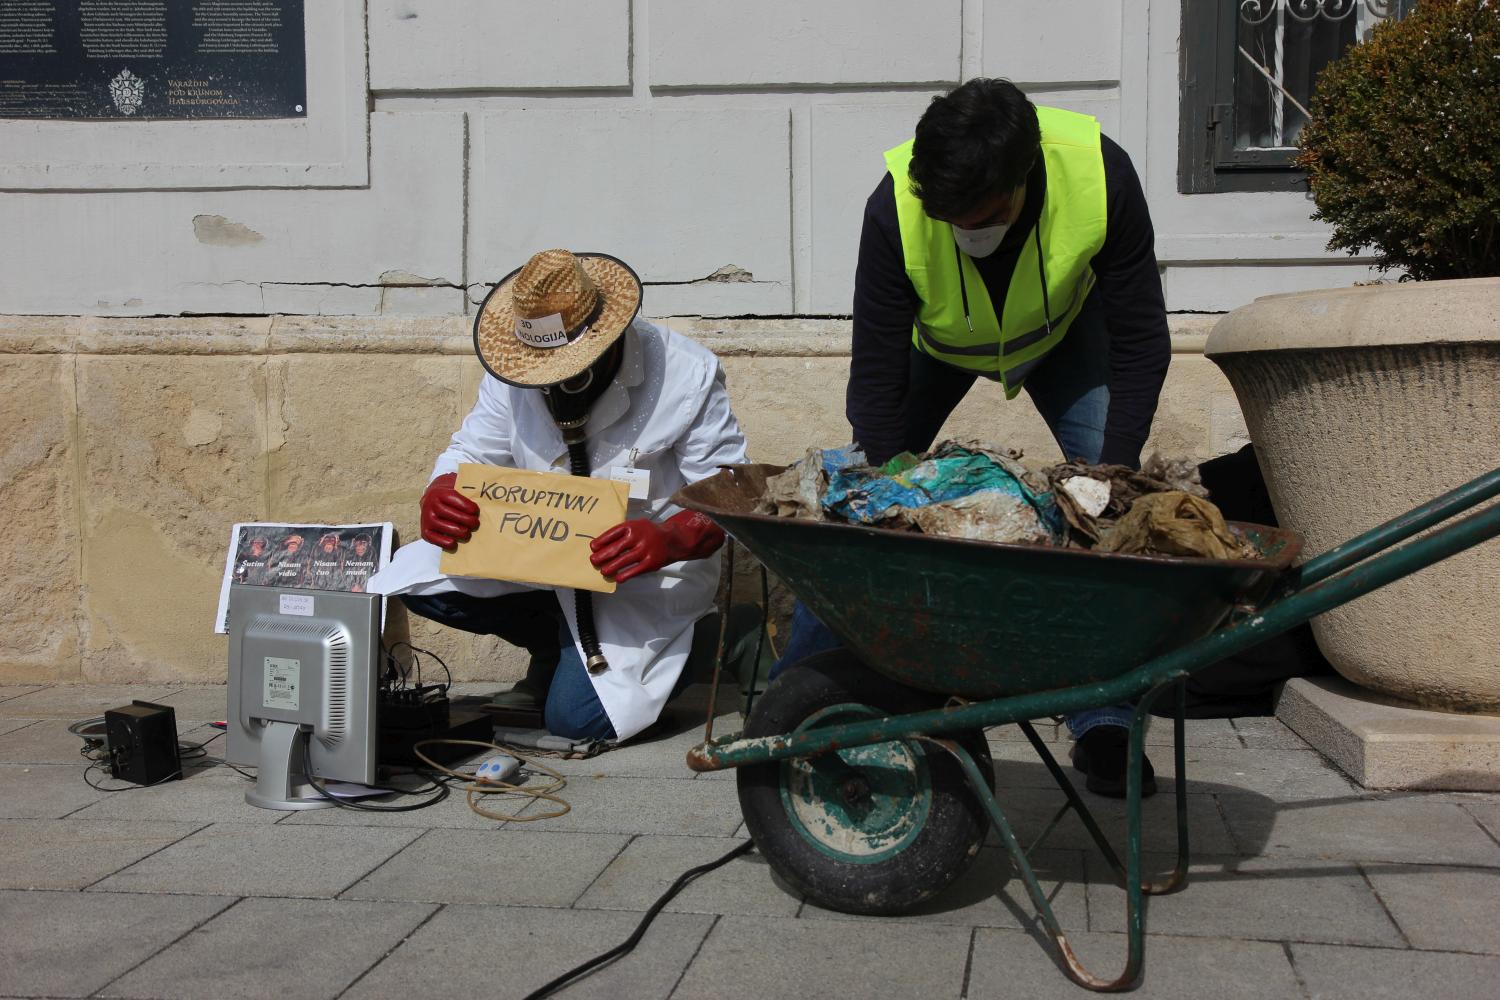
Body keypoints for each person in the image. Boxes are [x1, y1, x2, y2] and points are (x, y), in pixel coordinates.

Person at [785, 78, 1172, 797]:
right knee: (857, 512)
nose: (969, 232)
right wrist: (888, 486)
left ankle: (1106, 720)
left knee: (1108, 521)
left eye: (986, 216)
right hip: (937, 348)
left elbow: (1141, 340)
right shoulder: (895, 204)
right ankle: (801, 692)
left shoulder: (1100, 174)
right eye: (952, 219)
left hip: (1064, 336)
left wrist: (1113, 471)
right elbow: (876, 368)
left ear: (1024, 176)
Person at [367, 249, 748, 743]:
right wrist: (441, 490)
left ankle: (712, 638)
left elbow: (729, 491)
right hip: (542, 557)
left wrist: (670, 539)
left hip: (639, 575)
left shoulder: (686, 373)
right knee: (416, 580)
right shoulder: (514, 367)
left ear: (610, 338)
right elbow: (470, 452)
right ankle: (558, 647)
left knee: (575, 722)